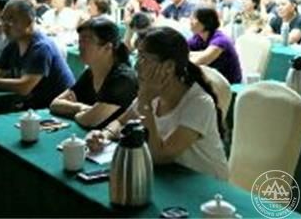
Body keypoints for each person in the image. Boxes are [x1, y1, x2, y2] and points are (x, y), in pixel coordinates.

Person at [86, 27, 229, 180]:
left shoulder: (199, 103)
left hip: (206, 186)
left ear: (169, 66)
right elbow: (120, 122)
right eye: (137, 56)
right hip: (171, 177)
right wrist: (104, 135)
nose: (137, 66)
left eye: (144, 58)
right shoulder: (153, 92)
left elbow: (158, 156)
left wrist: (146, 104)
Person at [50, 18, 138, 129]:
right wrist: (80, 107)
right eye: (80, 41)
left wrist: (76, 112)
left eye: (87, 42)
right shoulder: (91, 72)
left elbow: (90, 121)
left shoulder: (123, 79)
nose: (80, 47)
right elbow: (55, 104)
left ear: (107, 47)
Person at [188, 8, 242, 84]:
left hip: (228, 83)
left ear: (205, 23)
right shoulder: (197, 38)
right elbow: (181, 50)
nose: (190, 22)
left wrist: (188, 55)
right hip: (210, 80)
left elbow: (201, 61)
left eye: (194, 19)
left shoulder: (221, 40)